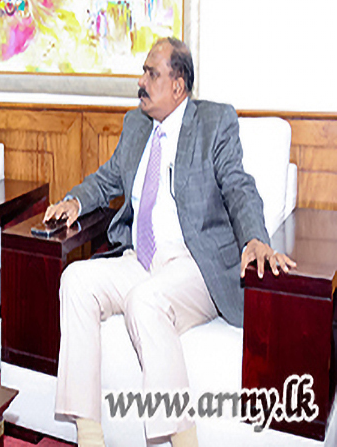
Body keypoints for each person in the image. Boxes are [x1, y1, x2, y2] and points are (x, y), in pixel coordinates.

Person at [43, 38, 296, 447]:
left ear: (178, 86)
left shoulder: (215, 122)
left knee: (145, 302)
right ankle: (89, 436)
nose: (141, 82)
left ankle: (182, 440)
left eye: (151, 74)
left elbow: (238, 185)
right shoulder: (136, 125)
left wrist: (254, 236)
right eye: (143, 72)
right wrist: (75, 200)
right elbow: (108, 178)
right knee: (76, 279)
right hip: (142, 258)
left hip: (193, 264)